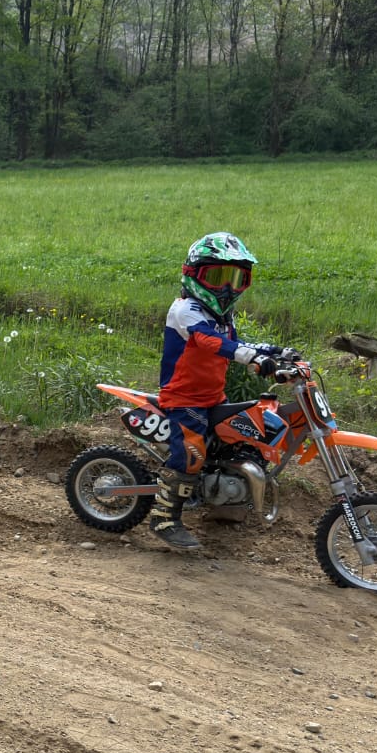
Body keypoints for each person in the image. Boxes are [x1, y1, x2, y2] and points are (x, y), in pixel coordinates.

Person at [150, 231, 282, 550]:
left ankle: (225, 500)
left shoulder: (222, 314)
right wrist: (250, 356)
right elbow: (210, 341)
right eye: (218, 276)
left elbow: (233, 343)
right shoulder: (186, 310)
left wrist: (274, 351)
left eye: (236, 278)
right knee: (191, 455)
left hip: (212, 397)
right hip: (183, 399)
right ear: (195, 275)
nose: (227, 287)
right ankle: (164, 517)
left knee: (238, 442)